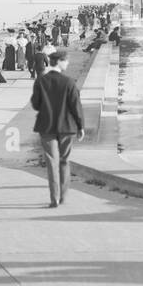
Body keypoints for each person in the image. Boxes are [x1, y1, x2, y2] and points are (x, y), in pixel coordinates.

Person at [31, 49, 85, 208]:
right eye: (66, 60)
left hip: (46, 127)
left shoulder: (41, 81)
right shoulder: (69, 82)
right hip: (66, 127)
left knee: (51, 161)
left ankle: (54, 197)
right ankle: (62, 195)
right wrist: (80, 126)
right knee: (64, 161)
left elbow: (35, 104)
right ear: (60, 62)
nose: (67, 63)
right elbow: (76, 106)